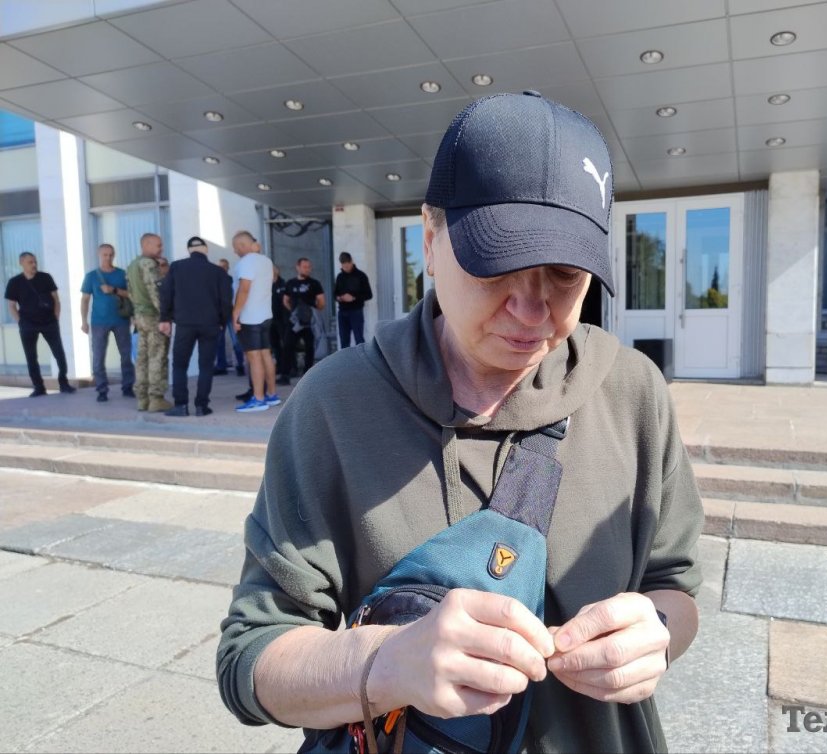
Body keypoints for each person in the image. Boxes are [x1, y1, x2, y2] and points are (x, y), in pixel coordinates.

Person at [218, 92, 703, 753]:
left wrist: (657, 633)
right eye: (498, 262)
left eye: (565, 273)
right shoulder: (334, 406)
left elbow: (674, 585)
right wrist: (386, 663)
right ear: (430, 237)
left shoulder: (633, 391)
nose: (532, 310)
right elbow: (250, 658)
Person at [158, 236, 232, 417]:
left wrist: (165, 318)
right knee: (206, 366)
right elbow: (226, 301)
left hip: (184, 324)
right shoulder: (218, 271)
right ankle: (201, 406)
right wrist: (222, 322)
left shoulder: (176, 267)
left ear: (189, 250)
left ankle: (181, 405)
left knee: (179, 365)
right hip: (210, 324)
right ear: (206, 250)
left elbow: (166, 293)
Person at [4, 251, 75, 396]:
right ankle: (39, 387)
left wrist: (56, 317)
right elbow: (11, 305)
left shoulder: (45, 277)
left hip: (49, 322)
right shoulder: (14, 282)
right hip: (28, 324)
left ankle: (64, 383)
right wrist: (20, 322)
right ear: (21, 263)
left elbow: (56, 299)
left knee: (59, 354)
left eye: (35, 262)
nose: (34, 265)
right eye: (30, 262)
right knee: (31, 357)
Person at [231, 231, 280, 412]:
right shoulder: (266, 261)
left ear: (242, 245)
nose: (235, 251)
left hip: (249, 317)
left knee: (254, 358)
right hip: (265, 315)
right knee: (266, 354)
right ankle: (272, 395)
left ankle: (258, 399)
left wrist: (235, 313)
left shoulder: (246, 262)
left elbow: (244, 289)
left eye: (236, 247)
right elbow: (274, 278)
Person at [80, 243, 135, 402]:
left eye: (111, 254)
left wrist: (114, 290)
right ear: (99, 255)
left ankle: (128, 387)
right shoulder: (91, 276)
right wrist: (83, 321)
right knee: (98, 357)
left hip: (121, 320)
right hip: (98, 322)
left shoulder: (122, 274)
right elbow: (85, 300)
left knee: (126, 356)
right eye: (105, 255)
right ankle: (101, 390)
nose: (108, 257)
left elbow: (132, 295)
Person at [126, 233, 171, 412]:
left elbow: (130, 293)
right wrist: (165, 316)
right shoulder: (149, 264)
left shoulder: (132, 265)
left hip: (140, 317)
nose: (161, 248)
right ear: (146, 244)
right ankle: (156, 398)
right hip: (153, 317)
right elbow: (156, 292)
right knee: (157, 356)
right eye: (158, 245)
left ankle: (142, 398)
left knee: (142, 358)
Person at [277, 257, 325, 385]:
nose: (307, 269)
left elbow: (321, 302)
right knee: (288, 346)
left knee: (310, 347)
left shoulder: (314, 284)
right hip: (294, 322)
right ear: (297, 267)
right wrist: (295, 312)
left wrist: (312, 313)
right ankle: (285, 375)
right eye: (305, 267)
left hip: (309, 322)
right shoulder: (291, 283)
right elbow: (285, 300)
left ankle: (308, 374)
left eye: (309, 267)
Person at [333, 251, 372, 349]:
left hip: (356, 312)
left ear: (351, 262)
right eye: (343, 265)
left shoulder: (361, 276)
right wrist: (339, 297)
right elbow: (335, 294)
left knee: (359, 340)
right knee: (344, 341)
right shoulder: (340, 277)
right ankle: (345, 359)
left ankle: (362, 358)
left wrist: (353, 298)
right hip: (342, 312)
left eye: (347, 264)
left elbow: (369, 295)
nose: (346, 267)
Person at [214, 258, 245, 377]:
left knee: (236, 341)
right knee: (219, 341)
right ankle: (221, 366)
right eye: (220, 266)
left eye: (224, 266)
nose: (222, 268)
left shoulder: (232, 280)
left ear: (228, 268)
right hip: (220, 314)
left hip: (232, 313)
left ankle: (240, 365)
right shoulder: (214, 281)